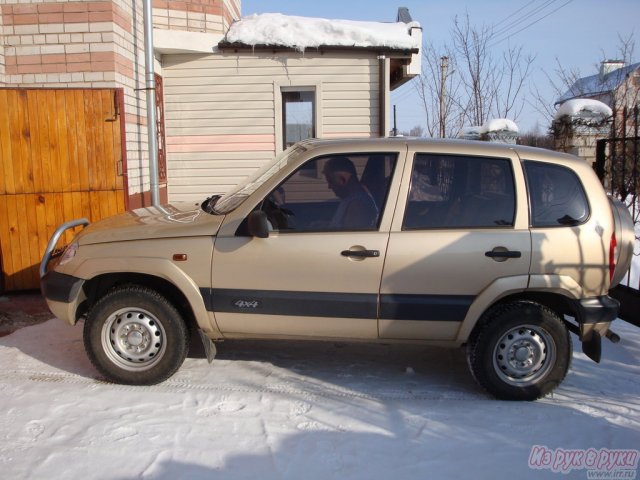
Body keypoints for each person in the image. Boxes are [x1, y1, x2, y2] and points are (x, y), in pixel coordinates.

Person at [323, 156, 378, 229]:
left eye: (330, 181)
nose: (329, 186)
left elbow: (350, 237)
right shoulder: (352, 198)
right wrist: (325, 224)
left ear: (342, 179)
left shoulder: (358, 204)